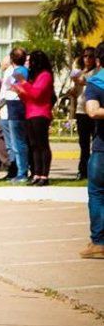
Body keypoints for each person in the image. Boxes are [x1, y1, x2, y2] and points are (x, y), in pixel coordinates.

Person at [14, 50, 55, 186]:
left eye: (30, 61)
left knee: (42, 145)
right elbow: (29, 98)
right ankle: (36, 174)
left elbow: (37, 94)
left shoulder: (45, 75)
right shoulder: (35, 76)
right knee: (34, 146)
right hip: (30, 113)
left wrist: (23, 83)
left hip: (41, 113)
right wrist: (20, 92)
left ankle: (44, 175)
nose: (28, 64)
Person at [80, 43, 104, 259]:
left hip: (102, 147)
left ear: (98, 61)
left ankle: (99, 242)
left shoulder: (96, 82)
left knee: (97, 193)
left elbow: (93, 111)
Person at [0, 48, 30, 183]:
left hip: (17, 106)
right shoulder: (18, 70)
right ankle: (19, 171)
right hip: (12, 106)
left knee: (18, 142)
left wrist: (12, 87)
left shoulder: (19, 71)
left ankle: (22, 172)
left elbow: (19, 88)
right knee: (15, 143)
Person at [73, 47, 98, 179]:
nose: (87, 59)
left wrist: (85, 82)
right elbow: (77, 91)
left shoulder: (96, 72)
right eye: (85, 56)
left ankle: (94, 170)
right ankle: (83, 170)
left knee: (96, 142)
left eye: (90, 56)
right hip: (81, 110)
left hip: (93, 110)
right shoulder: (81, 72)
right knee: (83, 144)